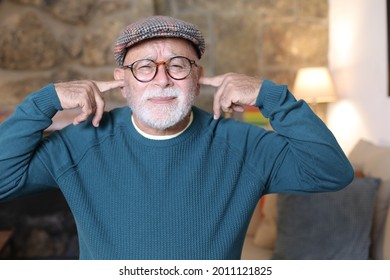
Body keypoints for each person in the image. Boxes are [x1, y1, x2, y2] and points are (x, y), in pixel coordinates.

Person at [0, 15, 354, 260]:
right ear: (122, 82)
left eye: (177, 65)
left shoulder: (244, 145)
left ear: (197, 78)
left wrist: (273, 97)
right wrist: (43, 103)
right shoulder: (81, 142)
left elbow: (331, 171)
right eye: (144, 67)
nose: (162, 79)